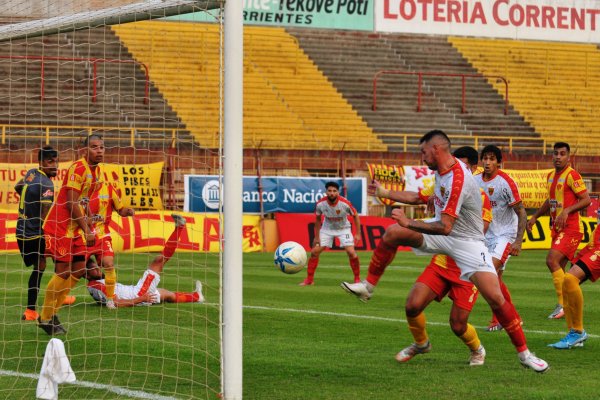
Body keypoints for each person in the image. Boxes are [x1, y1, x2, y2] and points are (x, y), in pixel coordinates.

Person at [341, 130, 548, 372]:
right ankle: (369, 287)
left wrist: (409, 223)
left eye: (423, 152)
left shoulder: (458, 179)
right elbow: (421, 198)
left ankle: (524, 354)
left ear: (436, 149)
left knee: (495, 298)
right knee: (393, 234)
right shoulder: (441, 172)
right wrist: (387, 194)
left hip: (467, 243)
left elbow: (447, 226)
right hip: (443, 239)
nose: (421, 157)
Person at [394, 146, 491, 366]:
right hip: (443, 260)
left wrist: (443, 217)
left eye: (464, 166)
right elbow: (418, 197)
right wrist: (386, 193)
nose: (457, 170)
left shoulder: (480, 197)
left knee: (457, 325)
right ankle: (421, 344)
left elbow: (479, 231)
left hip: (468, 266)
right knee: (412, 305)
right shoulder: (444, 187)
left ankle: (477, 349)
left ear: (473, 169)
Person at [38, 134, 105, 335]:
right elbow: (71, 202)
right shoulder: (78, 168)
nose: (99, 150)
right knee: (63, 272)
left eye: (102, 147)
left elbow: (84, 202)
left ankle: (52, 312)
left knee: (77, 270)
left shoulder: (97, 173)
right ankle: (45, 317)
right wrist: (86, 229)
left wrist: (91, 220)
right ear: (84, 150)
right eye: (94, 147)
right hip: (59, 226)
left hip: (74, 228)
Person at [526, 142, 591, 319]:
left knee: (551, 260)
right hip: (557, 228)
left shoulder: (572, 175)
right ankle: (567, 304)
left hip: (571, 228)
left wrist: (567, 210)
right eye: (556, 154)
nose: (558, 157)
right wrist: (535, 216)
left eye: (562, 154)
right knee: (561, 269)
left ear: (568, 157)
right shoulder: (550, 176)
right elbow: (550, 200)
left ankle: (564, 304)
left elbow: (586, 200)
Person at [86, 214, 204, 307]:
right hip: (138, 294)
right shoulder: (95, 286)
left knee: (167, 295)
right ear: (86, 275)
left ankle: (197, 297)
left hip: (136, 292)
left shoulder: (98, 282)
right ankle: (180, 227)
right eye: (92, 269)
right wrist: (140, 299)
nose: (97, 269)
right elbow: (114, 302)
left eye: (95, 266)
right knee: (158, 261)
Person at [474, 145, 526, 332]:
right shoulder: (475, 181)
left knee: (489, 272)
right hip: (485, 235)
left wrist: (518, 241)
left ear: (498, 162)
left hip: (505, 235)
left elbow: (521, 211)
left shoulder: (506, 182)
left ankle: (498, 319)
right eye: (485, 159)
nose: (487, 162)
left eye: (491, 159)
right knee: (495, 279)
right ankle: (513, 318)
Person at [15, 146, 60, 321]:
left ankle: (33, 309)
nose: (55, 165)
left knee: (46, 262)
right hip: (35, 233)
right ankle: (34, 308)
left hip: (21, 231)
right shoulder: (47, 184)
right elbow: (45, 217)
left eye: (56, 161)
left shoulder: (31, 173)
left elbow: (18, 187)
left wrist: (29, 203)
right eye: (50, 162)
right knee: (50, 262)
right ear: (41, 162)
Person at [548, 218, 599, 349]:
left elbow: (585, 199)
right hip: (595, 241)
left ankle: (577, 332)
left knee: (570, 278)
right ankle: (575, 334)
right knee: (567, 282)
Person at [299, 181, 362, 286]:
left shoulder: (345, 203)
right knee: (314, 252)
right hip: (327, 228)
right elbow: (318, 219)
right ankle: (309, 280)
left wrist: (358, 233)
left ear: (338, 192)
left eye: (334, 191)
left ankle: (357, 279)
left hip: (344, 228)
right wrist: (317, 237)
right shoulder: (320, 204)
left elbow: (355, 215)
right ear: (326, 192)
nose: (332, 193)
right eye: (329, 191)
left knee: (351, 252)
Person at [87, 170, 135, 309]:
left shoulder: (108, 189)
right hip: (84, 236)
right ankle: (60, 295)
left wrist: (129, 211)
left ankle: (109, 299)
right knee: (74, 269)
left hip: (102, 236)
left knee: (108, 264)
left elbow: (120, 210)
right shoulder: (81, 191)